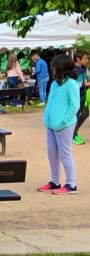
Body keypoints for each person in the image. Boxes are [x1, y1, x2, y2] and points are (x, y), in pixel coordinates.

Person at [37, 55, 80, 195]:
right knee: (52, 154)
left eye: (53, 67)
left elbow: (74, 106)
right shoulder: (55, 83)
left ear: (61, 68)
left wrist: (63, 121)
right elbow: (51, 102)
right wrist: (47, 118)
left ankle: (71, 184)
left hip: (64, 126)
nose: (51, 69)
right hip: (51, 125)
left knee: (65, 154)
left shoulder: (72, 84)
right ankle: (55, 181)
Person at [73, 50, 89, 145]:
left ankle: (74, 133)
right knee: (78, 116)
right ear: (78, 59)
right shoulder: (74, 70)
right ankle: (73, 135)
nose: (87, 60)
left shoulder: (83, 68)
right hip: (76, 96)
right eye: (85, 58)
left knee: (85, 113)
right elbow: (75, 85)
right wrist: (86, 83)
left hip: (83, 95)